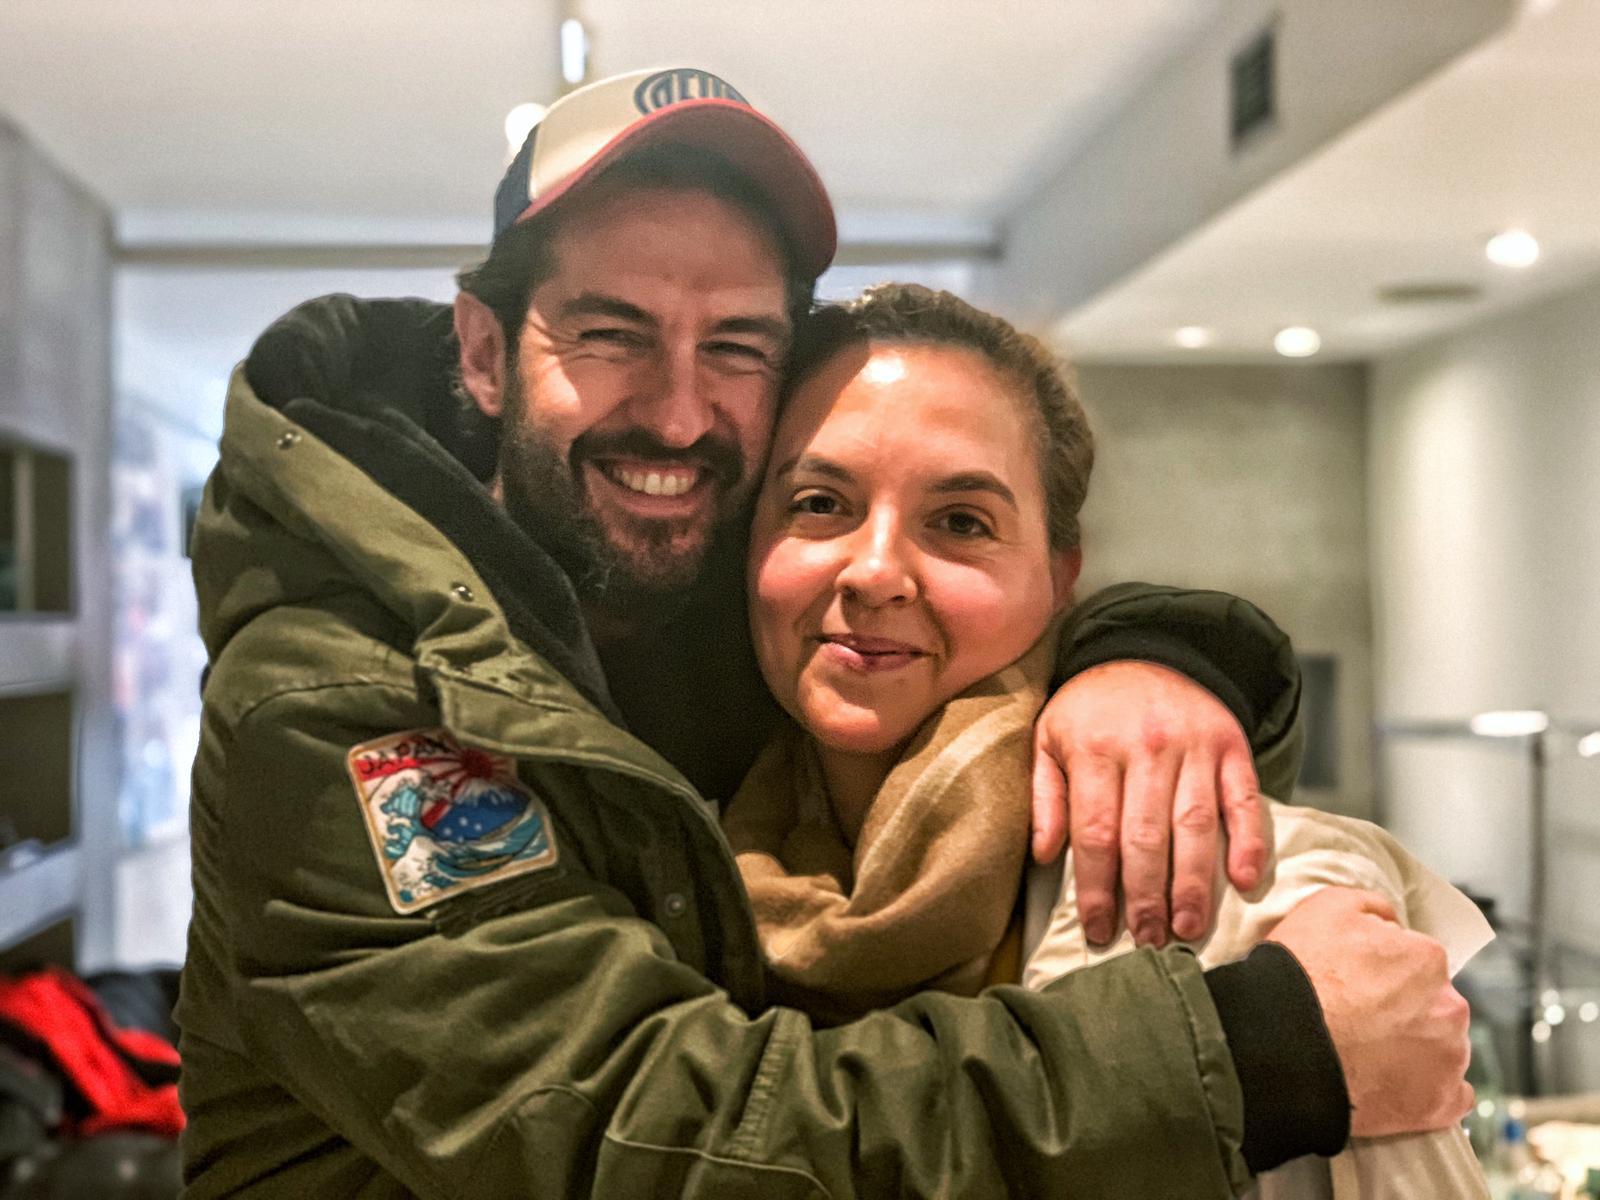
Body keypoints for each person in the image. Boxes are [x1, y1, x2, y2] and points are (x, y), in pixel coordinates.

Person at [177, 67, 1470, 1196]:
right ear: (481, 348)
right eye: (613, 334)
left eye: (736, 346)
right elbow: (645, 1138)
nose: (680, 415)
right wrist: (1248, 1056)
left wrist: (1153, 656)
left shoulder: (712, 622)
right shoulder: (342, 703)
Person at [722, 283, 1488, 1197]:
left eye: (961, 522)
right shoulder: (687, 863)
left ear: (1059, 578)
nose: (877, 569)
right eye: (818, 502)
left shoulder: (1233, 890)